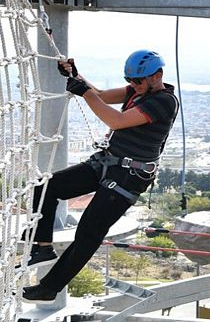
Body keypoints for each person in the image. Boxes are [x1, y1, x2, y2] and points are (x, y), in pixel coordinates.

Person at [21, 50, 179, 302]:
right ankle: (42, 248)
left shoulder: (163, 102)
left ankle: (50, 287)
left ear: (157, 76)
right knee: (45, 187)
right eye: (129, 80)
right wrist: (77, 76)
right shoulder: (137, 92)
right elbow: (102, 96)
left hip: (129, 176)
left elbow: (115, 120)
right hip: (108, 163)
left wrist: (83, 91)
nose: (132, 85)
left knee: (88, 233)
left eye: (137, 81)